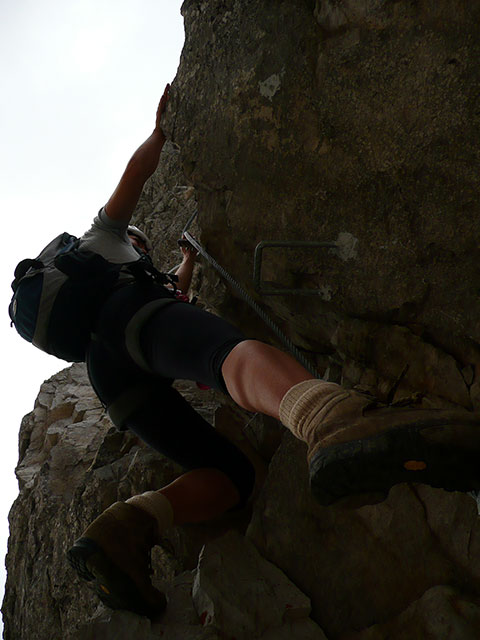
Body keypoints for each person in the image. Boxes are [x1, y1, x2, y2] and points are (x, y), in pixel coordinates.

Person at [32, 83, 476, 618]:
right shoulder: (104, 238)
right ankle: (329, 418)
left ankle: (124, 529)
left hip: (111, 378)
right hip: (133, 323)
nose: (140, 247)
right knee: (225, 353)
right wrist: (159, 133)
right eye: (140, 243)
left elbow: (175, 294)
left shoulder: (119, 277)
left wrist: (186, 263)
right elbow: (135, 177)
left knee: (230, 475)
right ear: (134, 240)